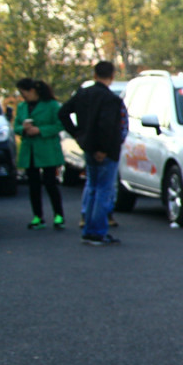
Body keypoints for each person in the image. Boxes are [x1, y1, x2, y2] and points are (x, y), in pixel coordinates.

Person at [58, 61, 125, 247]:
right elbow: (106, 126)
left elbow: (63, 113)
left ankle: (88, 228)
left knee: (92, 186)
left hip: (87, 147)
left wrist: (78, 134)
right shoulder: (110, 99)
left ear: (94, 75)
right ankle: (98, 232)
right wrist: (103, 149)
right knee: (104, 190)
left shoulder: (83, 95)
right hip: (105, 151)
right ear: (112, 76)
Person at [14, 79, 66, 231]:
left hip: (47, 149)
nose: (22, 96)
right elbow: (16, 125)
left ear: (32, 90)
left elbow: (59, 124)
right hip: (29, 150)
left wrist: (40, 130)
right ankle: (38, 216)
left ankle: (58, 215)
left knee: (50, 183)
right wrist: (23, 129)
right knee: (33, 184)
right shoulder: (22, 106)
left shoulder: (51, 105)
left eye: (24, 92)